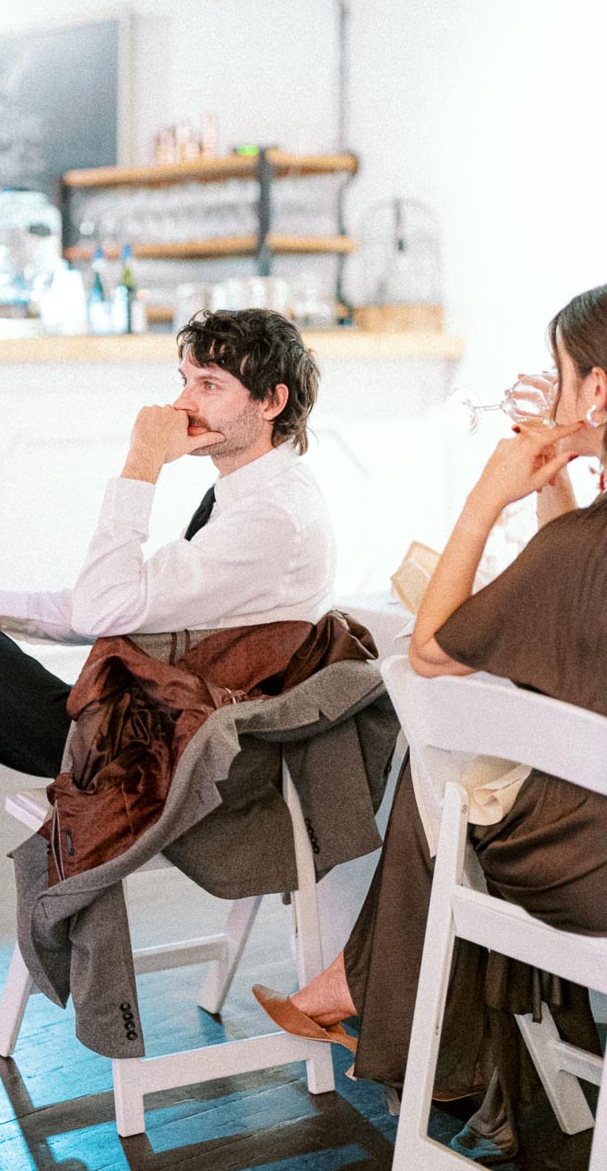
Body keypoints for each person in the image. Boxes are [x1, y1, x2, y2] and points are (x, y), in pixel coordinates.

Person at [0, 307, 337, 1008]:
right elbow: (120, 604)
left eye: (209, 385)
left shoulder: (270, 517)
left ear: (271, 402)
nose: (181, 404)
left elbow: (105, 610)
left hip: (162, 757)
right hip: (150, 721)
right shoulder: (250, 495)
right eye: (184, 379)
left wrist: (140, 465)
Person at [254, 284, 607, 1160]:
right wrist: (557, 481)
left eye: (561, 378)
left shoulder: (582, 550)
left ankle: (395, 1020)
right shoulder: (580, 546)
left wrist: (487, 499)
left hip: (591, 875)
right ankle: (390, 1012)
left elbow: (438, 650)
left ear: (595, 395)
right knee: (472, 787)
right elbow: (573, 620)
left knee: (444, 786)